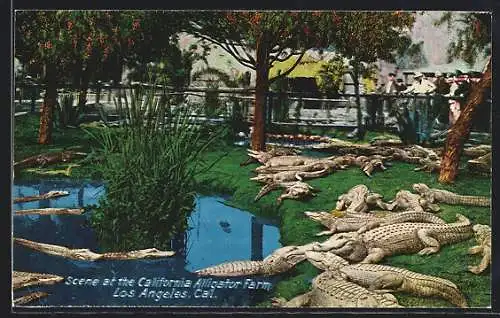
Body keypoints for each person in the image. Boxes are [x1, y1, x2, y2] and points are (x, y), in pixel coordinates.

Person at [401, 72, 436, 144]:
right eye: (416, 77)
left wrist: (428, 91)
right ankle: (417, 135)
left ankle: (423, 136)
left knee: (423, 115)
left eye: (418, 77)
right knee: (416, 114)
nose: (417, 78)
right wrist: (404, 92)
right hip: (416, 97)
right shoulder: (415, 83)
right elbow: (410, 89)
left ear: (421, 76)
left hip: (423, 97)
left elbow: (434, 87)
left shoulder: (426, 82)